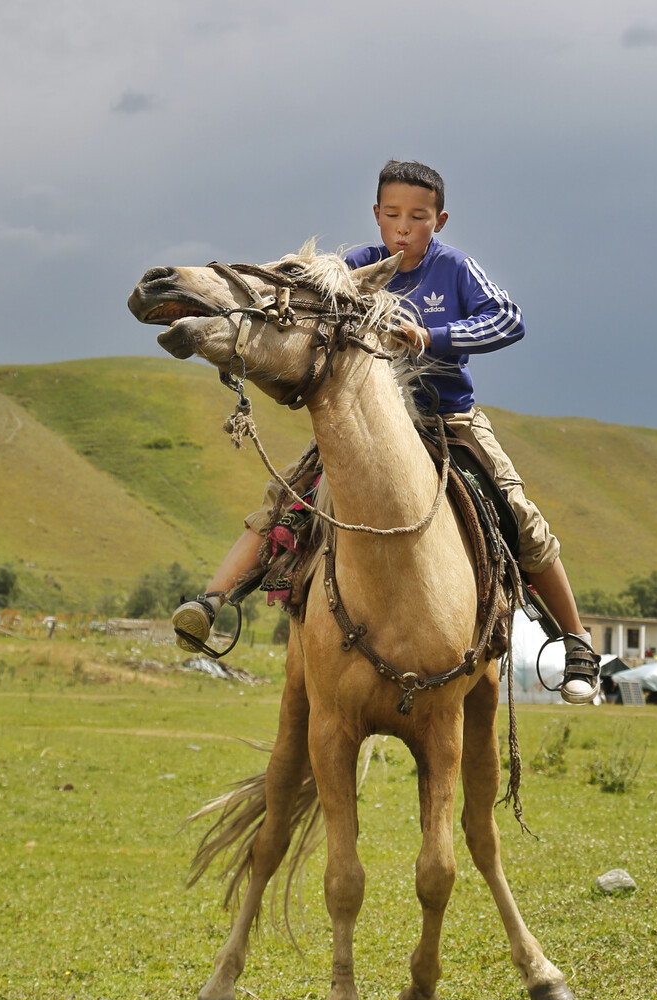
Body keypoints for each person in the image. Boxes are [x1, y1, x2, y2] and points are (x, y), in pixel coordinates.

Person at [173, 158, 600, 704]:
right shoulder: (355, 267)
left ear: (439, 221)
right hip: (364, 425)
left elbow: (508, 318)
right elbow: (308, 308)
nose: (404, 227)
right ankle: (210, 603)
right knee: (287, 499)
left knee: (519, 514)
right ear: (376, 215)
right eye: (393, 214)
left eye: (418, 217)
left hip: (448, 417)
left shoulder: (456, 269)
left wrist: (430, 335)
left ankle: (576, 640)